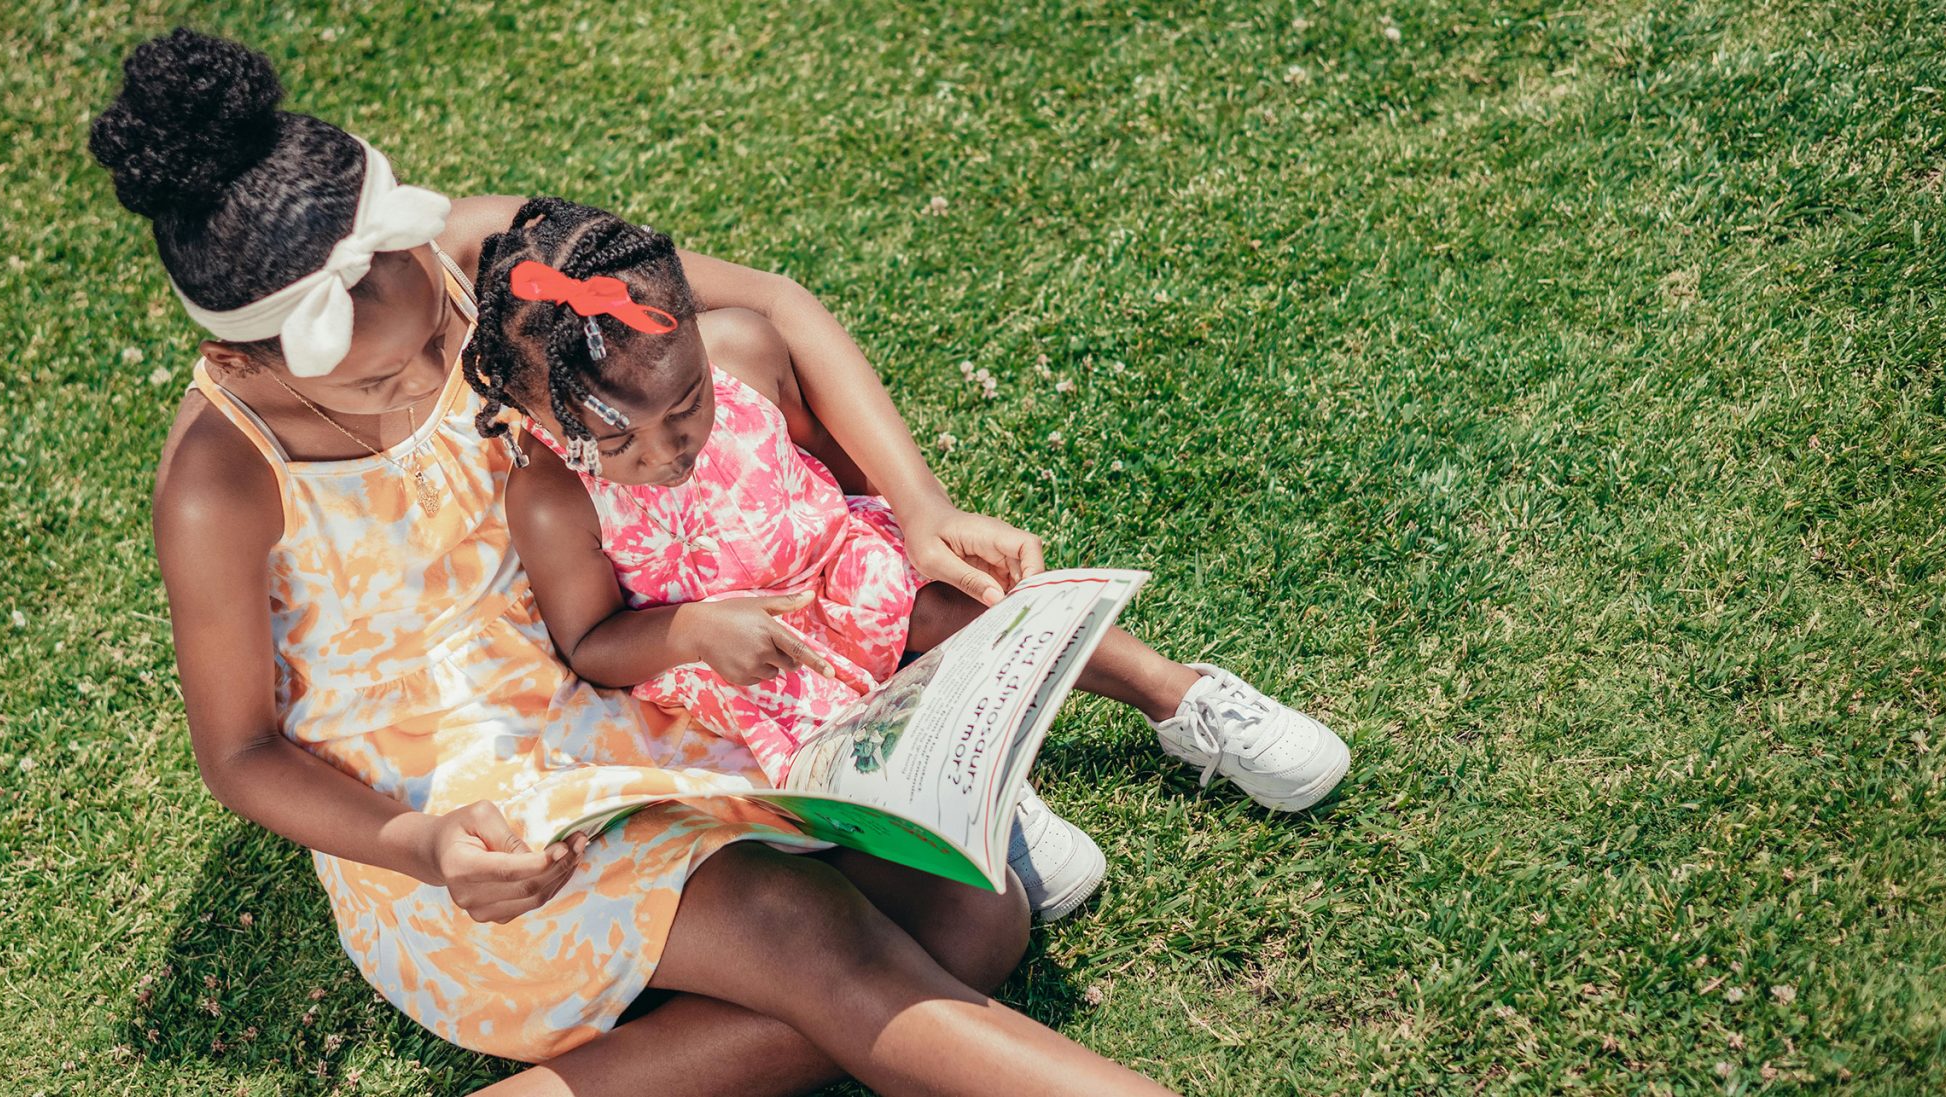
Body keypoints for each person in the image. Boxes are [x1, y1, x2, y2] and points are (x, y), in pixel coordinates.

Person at [88, 27, 1177, 1096]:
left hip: (628, 694)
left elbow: (772, 311)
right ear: (240, 353)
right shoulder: (219, 479)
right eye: (379, 383)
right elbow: (239, 751)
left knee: (977, 920)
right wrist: (426, 845)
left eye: (439, 345)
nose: (431, 380)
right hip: (460, 828)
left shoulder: (488, 259)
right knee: (806, 937)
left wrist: (919, 505)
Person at [471, 199, 1354, 922]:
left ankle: (1180, 694)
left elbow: (832, 462)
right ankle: (979, 799)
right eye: (618, 440)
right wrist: (696, 631)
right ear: (538, 414)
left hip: (837, 565)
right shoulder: (550, 499)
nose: (670, 450)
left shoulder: (744, 352)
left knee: (958, 606)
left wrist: (913, 516)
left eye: (687, 405)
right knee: (844, 748)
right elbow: (591, 642)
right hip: (745, 665)